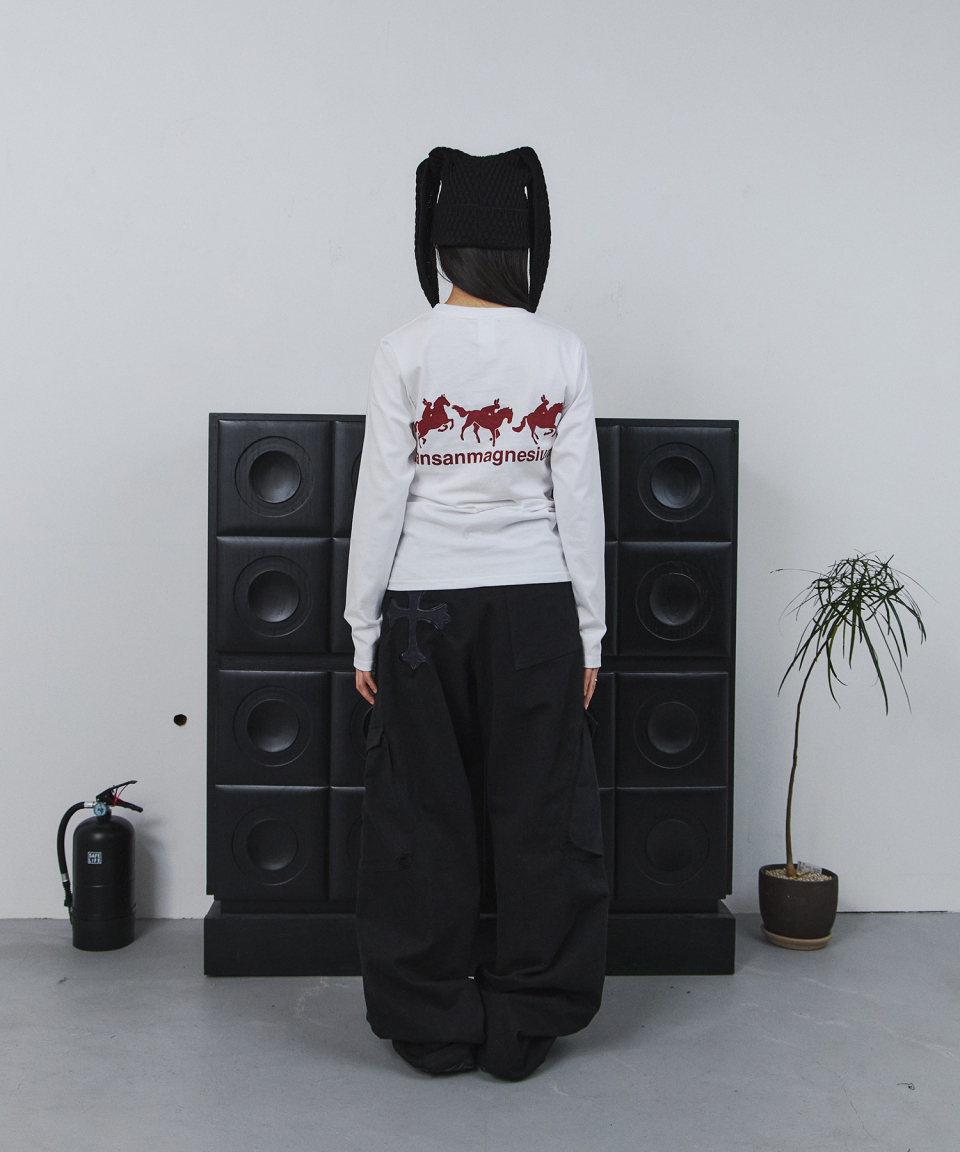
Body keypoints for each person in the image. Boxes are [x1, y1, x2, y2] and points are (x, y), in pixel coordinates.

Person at [343, 146, 608, 1082]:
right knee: (540, 816)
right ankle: (528, 1018)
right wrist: (589, 634)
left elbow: (382, 495)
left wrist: (364, 626)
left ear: (440, 245)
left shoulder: (403, 349)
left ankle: (431, 1021)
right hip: (535, 607)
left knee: (421, 817)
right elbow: (579, 503)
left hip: (424, 610)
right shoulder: (562, 350)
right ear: (523, 247)